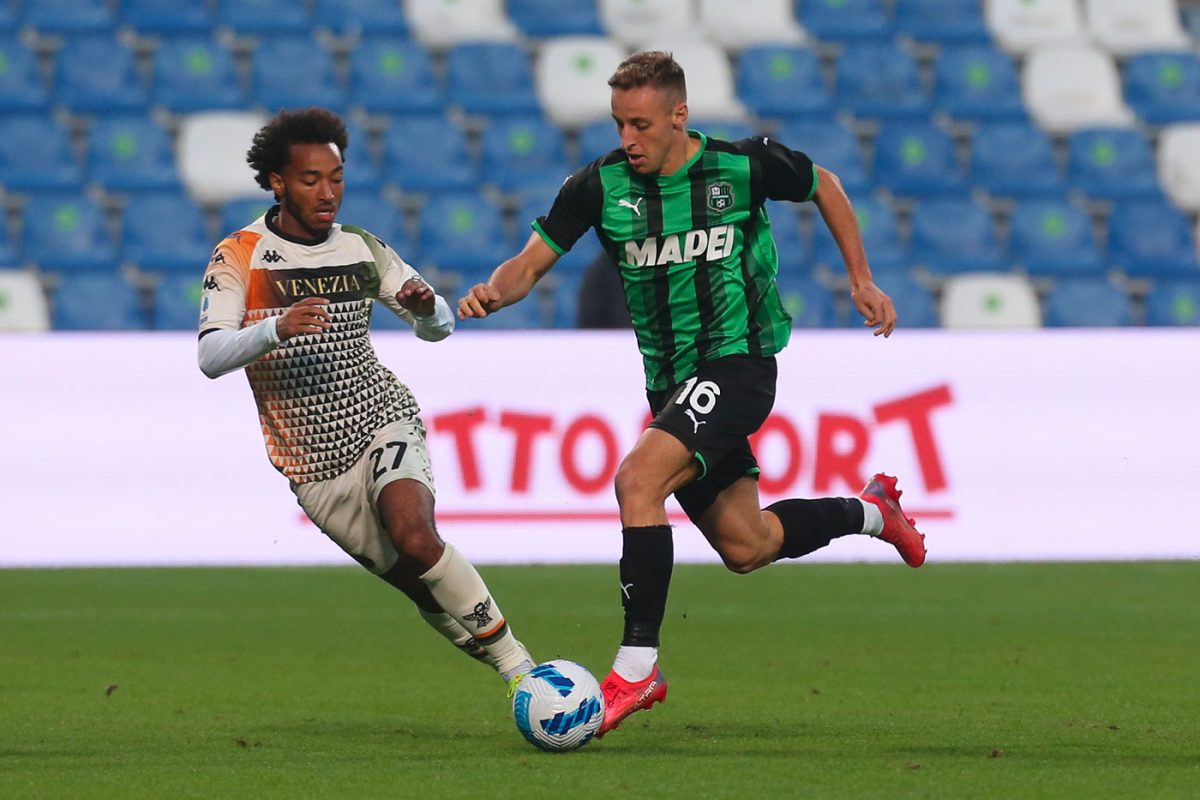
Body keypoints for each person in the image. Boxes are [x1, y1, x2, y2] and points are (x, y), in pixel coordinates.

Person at [457, 52, 927, 737]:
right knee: (747, 544)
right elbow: (530, 263)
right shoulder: (598, 186)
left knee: (636, 481)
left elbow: (823, 183)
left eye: (641, 124)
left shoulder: (741, 166)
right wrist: (494, 292)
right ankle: (872, 511)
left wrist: (860, 277)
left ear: (679, 115)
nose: (628, 138)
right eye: (619, 124)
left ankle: (637, 668)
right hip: (672, 385)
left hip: (739, 364)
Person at [197, 108, 535, 698]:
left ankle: (525, 673)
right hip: (312, 463)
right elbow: (210, 355)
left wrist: (426, 309)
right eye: (310, 180)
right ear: (277, 182)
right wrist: (275, 328)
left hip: (378, 414)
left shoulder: (360, 247)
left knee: (417, 538)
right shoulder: (241, 255)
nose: (328, 193)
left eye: (336, 178)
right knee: (418, 582)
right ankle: (513, 670)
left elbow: (440, 327)